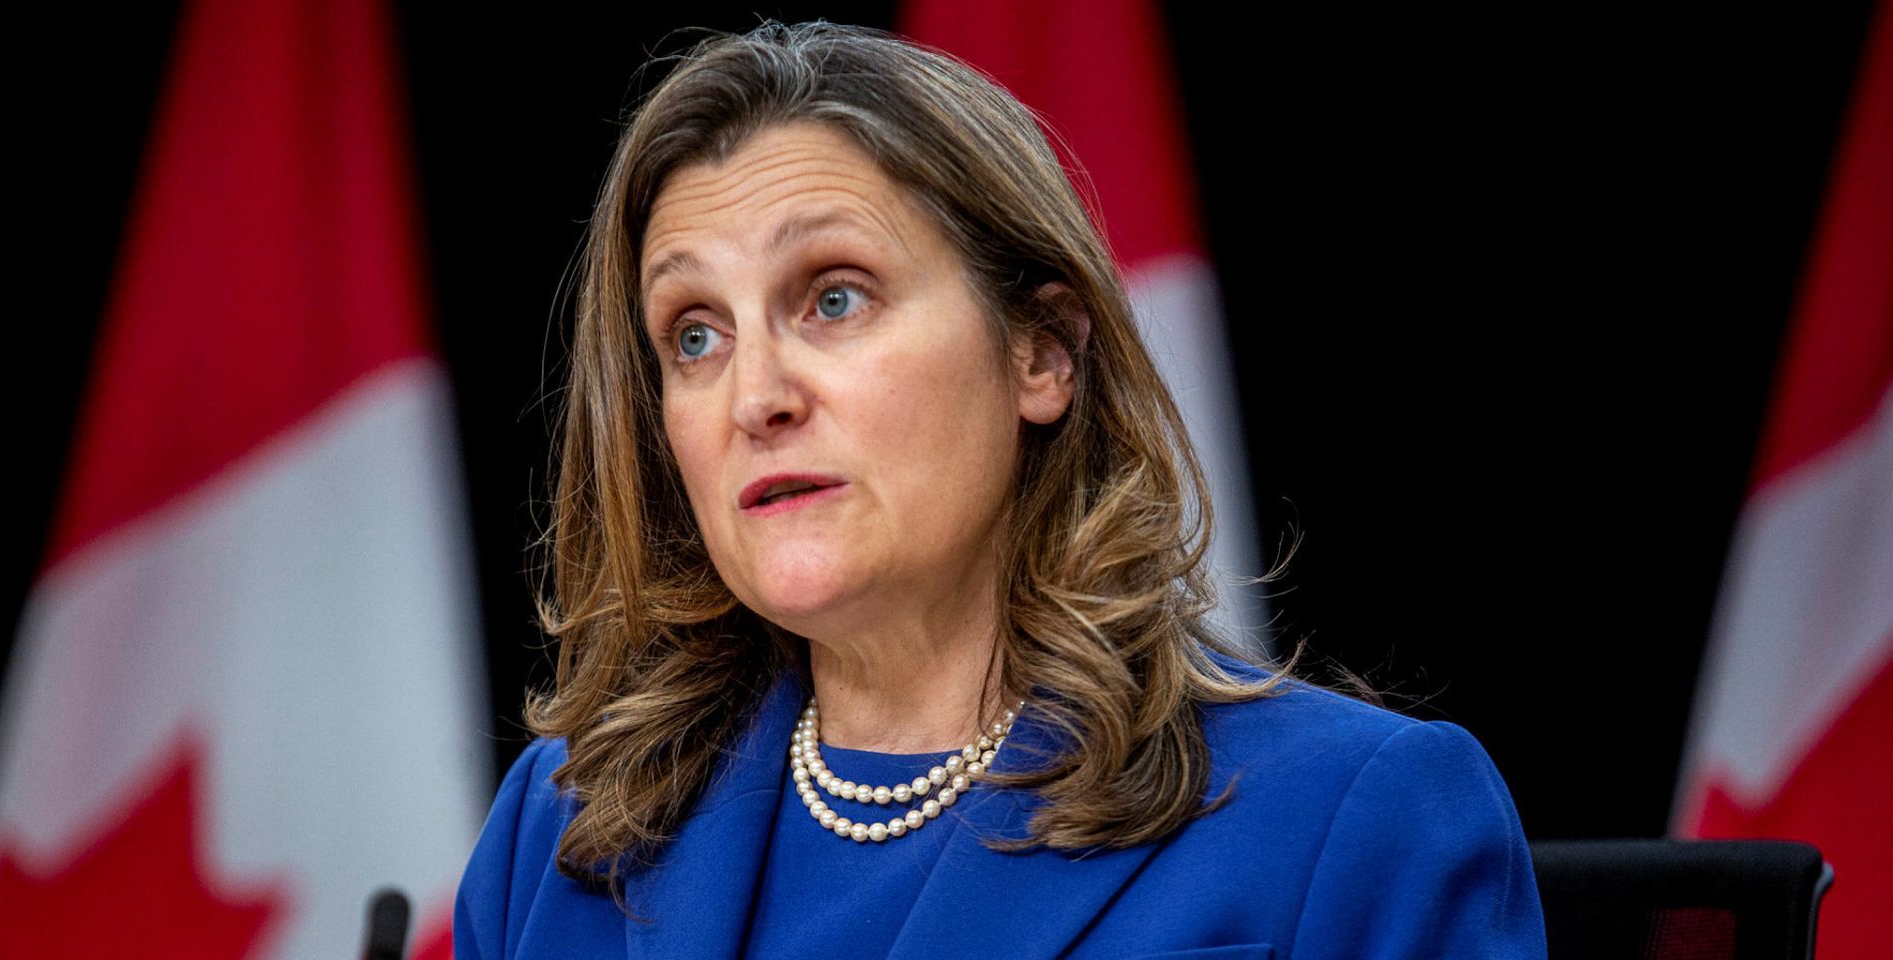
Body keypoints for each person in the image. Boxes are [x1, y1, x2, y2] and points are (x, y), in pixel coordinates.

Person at [455, 19, 1547, 960]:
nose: (757, 395)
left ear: (1041, 352)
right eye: (694, 335)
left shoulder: (1355, 813)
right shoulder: (560, 833)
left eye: (834, 298)